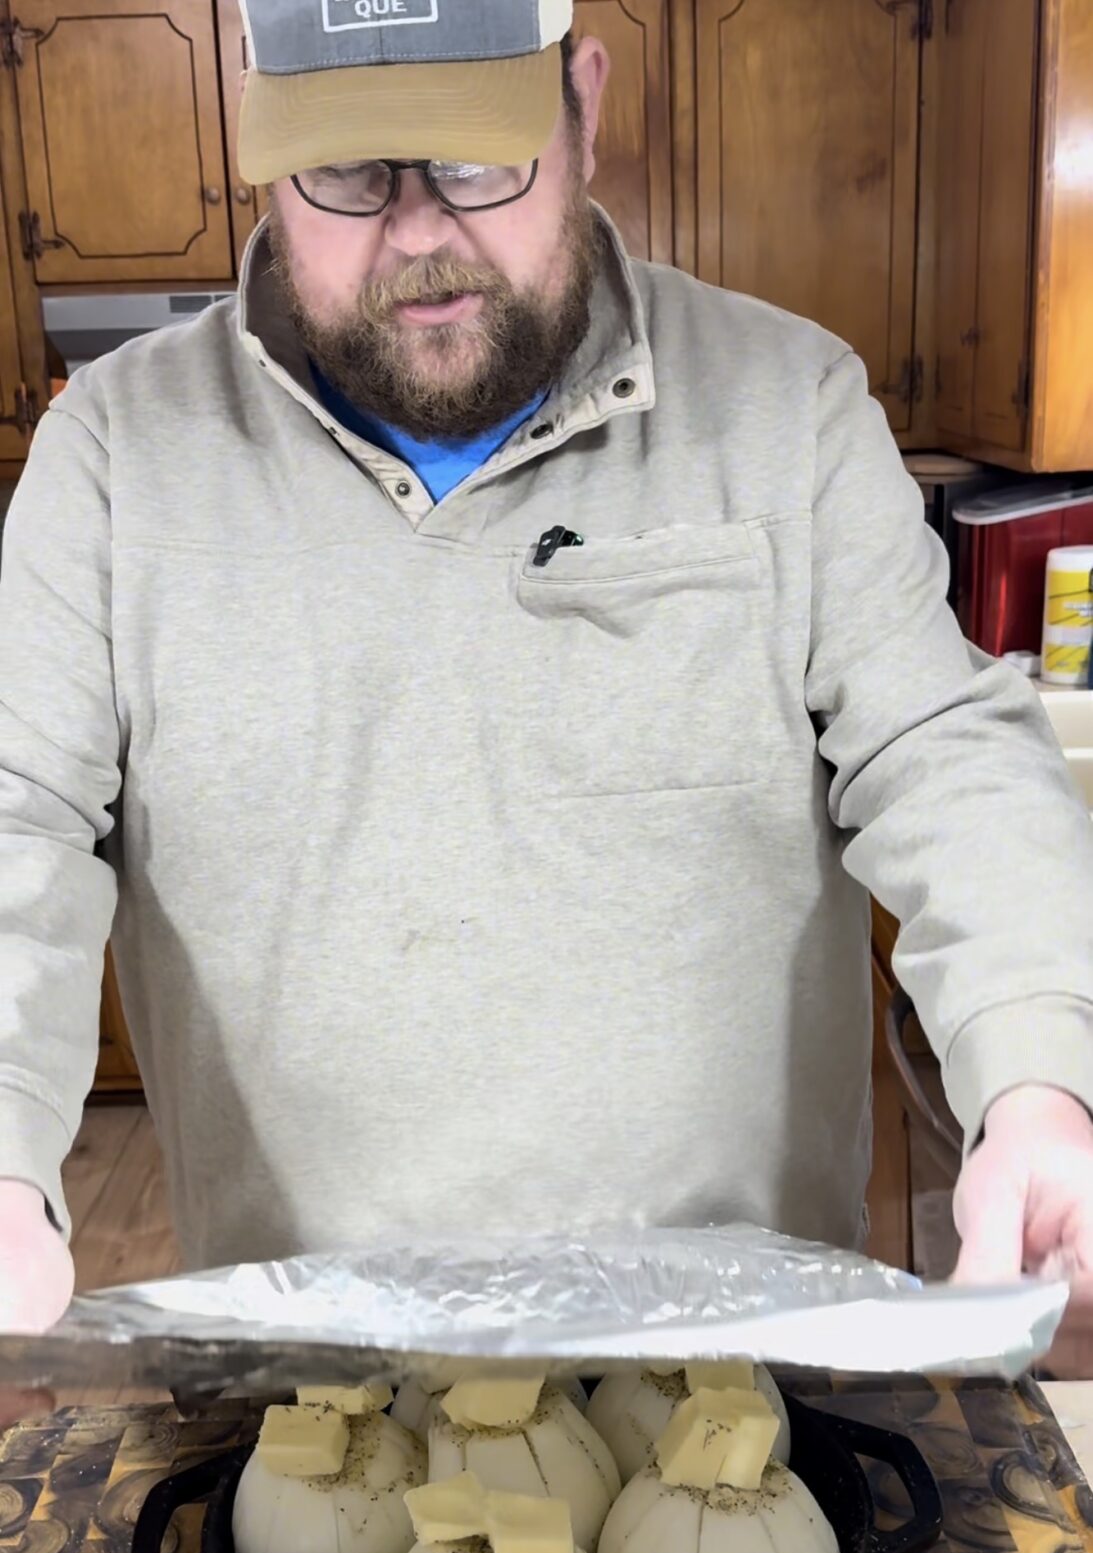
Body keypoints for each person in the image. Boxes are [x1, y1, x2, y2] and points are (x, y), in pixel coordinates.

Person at [2, 0, 1093, 1375]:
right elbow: (16, 818)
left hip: (742, 1380)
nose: (413, 231)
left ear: (582, 105)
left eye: (472, 160)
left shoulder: (787, 403)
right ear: (262, 148)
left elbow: (940, 755)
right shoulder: (113, 450)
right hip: (305, 1387)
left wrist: (1039, 1085)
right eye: (344, 173)